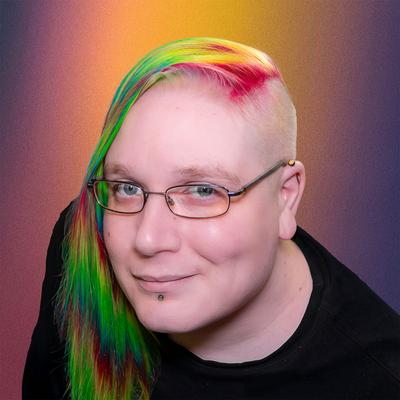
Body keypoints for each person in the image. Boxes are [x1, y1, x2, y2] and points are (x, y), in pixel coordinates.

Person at [23, 37, 400, 400]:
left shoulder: (381, 381)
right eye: (127, 187)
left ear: (285, 198)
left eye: (203, 191)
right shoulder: (83, 239)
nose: (148, 239)